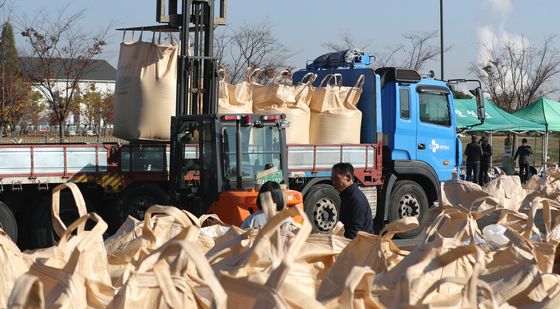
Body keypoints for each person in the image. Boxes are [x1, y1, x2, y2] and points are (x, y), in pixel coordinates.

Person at [331, 162, 374, 239]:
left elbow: (355, 233)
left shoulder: (355, 199)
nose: (333, 183)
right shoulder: (348, 196)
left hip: (362, 246)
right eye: (332, 179)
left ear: (348, 177)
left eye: (336, 179)